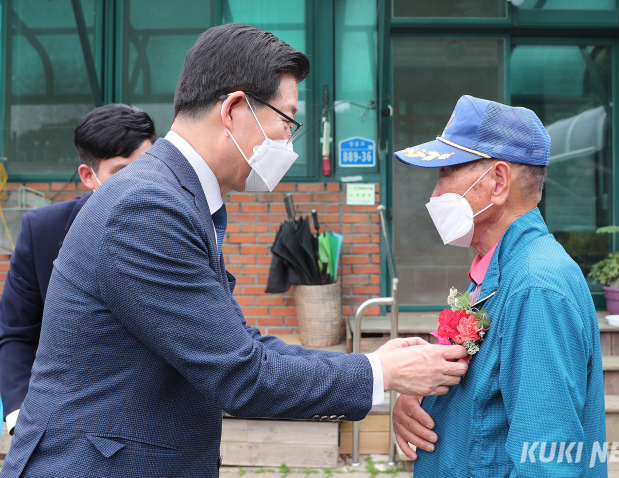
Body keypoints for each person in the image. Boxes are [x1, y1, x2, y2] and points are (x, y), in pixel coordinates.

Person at [0, 24, 468, 478]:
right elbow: (242, 376)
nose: (290, 141)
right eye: (286, 119)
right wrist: (379, 373)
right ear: (234, 109)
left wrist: (374, 365)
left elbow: (239, 346)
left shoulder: (176, 195)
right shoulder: (148, 207)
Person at [391, 95, 606, 477]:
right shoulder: (501, 270)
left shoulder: (535, 288)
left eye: (445, 174)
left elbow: (548, 463)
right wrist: (421, 399)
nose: (434, 195)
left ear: (498, 181)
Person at [0, 104, 155, 436]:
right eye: (123, 170)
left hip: (156, 424)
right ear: (88, 176)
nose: (142, 183)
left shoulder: (183, 225)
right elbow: (16, 333)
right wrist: (18, 416)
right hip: (67, 424)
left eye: (150, 167)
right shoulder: (41, 231)